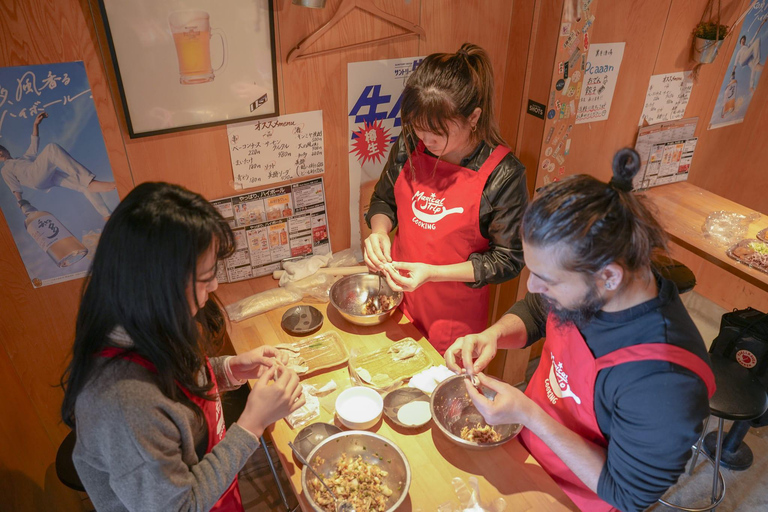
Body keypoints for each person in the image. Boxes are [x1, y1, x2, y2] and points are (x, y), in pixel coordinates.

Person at [445, 149, 715, 512]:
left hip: (577, 498)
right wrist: (493, 335)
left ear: (609, 276)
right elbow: (537, 311)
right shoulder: (591, 285)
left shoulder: (665, 383)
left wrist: (529, 415)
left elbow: (627, 493)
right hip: (527, 450)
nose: (532, 286)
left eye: (547, 279)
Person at [60, 182, 305, 512]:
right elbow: (179, 506)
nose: (214, 285)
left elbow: (177, 386)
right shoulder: (123, 405)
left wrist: (229, 369)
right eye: (205, 278)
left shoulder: (148, 323)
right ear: (157, 286)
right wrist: (252, 423)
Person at [364, 43, 528, 353]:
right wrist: (379, 231)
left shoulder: (503, 174)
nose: (425, 139)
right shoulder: (411, 143)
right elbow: (384, 200)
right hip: (397, 302)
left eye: (437, 132)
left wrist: (433, 274)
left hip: (454, 323)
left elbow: (508, 259)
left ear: (473, 117)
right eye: (418, 127)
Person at [0, 112, 116, 219]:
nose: (0, 153)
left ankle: (106, 214)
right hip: (34, 177)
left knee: (81, 186)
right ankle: (89, 182)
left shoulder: (23, 158)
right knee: (51, 148)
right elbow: (14, 187)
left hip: (47, 177)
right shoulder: (5, 169)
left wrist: (36, 124)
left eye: (0, 150)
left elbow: (33, 144)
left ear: (5, 150)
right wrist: (22, 203)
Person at [734, 18, 767, 93]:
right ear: (740, 41)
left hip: (747, 59)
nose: (743, 40)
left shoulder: (747, 46)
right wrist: (734, 69)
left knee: (754, 68)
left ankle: (751, 87)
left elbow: (755, 34)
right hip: (742, 59)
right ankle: (757, 61)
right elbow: (736, 59)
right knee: (757, 41)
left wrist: (762, 24)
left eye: (744, 40)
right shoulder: (740, 51)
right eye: (742, 40)